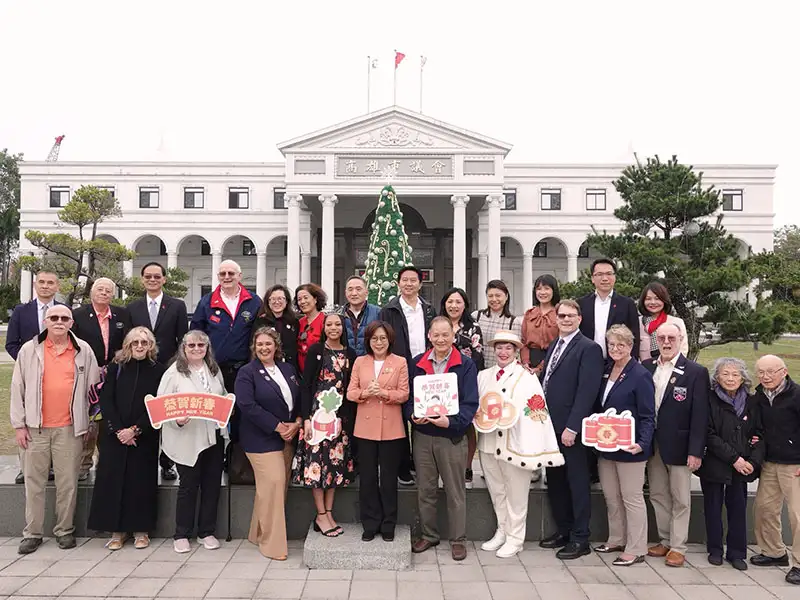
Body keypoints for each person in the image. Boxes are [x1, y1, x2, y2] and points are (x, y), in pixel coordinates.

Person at [10, 305, 100, 555]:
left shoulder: (83, 350)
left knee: (67, 483)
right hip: (35, 429)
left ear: (71, 322)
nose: (59, 321)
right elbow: (17, 389)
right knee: (34, 483)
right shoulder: (30, 350)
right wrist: (19, 425)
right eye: (54, 318)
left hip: (70, 429)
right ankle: (32, 533)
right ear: (46, 321)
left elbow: (94, 392)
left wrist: (91, 422)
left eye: (64, 318)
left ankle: (64, 530)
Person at [477, 330, 563, 559]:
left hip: (515, 445)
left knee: (517, 494)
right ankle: (502, 531)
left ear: (516, 351)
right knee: (497, 492)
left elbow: (536, 412)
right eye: (499, 347)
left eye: (508, 348)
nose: (503, 352)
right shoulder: (483, 376)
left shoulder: (527, 377)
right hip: (488, 442)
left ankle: (516, 538)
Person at [88, 327, 166, 550]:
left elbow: (157, 405)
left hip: (144, 435)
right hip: (115, 435)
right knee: (113, 482)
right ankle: (117, 531)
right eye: (135, 343)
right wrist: (119, 430)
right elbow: (107, 399)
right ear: (128, 346)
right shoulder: (116, 368)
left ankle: (141, 530)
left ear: (151, 346)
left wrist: (135, 430)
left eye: (144, 342)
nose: (140, 346)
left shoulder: (159, 371)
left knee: (141, 483)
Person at [408, 317, 479, 562]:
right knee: (425, 490)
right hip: (424, 437)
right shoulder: (417, 363)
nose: (440, 340)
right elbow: (409, 397)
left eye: (445, 335)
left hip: (451, 436)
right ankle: (429, 534)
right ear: (429, 336)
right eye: (436, 335)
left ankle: (458, 539)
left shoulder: (466, 365)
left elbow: (471, 403)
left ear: (453, 336)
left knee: (455, 491)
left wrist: (451, 422)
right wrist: (412, 415)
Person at [538, 299, 604, 560]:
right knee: (556, 482)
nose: (565, 319)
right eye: (561, 315)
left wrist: (573, 427)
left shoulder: (589, 349)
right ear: (555, 318)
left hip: (570, 429)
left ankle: (580, 537)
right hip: (549, 427)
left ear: (579, 319)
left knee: (577, 483)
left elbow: (587, 392)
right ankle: (563, 530)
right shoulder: (556, 344)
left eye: (570, 316)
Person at [642, 322, 709, 568]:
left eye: (671, 337)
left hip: (681, 446)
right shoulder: (646, 367)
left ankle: (679, 547)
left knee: (680, 497)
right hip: (653, 444)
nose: (667, 342)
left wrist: (696, 450)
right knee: (658, 494)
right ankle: (665, 540)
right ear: (655, 341)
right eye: (661, 338)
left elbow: (700, 415)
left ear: (681, 339)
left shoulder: (695, 372)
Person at [234, 327, 302, 560]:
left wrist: (297, 422)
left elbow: (299, 397)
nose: (264, 348)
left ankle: (257, 532)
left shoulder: (287, 369)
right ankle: (272, 545)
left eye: (268, 344)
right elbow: (247, 405)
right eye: (260, 344)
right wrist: (278, 426)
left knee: (273, 490)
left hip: (288, 436)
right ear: (254, 347)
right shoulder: (247, 372)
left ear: (276, 346)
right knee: (273, 484)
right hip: (260, 438)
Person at [158, 330, 228, 553]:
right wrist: (176, 421)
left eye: (201, 345)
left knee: (211, 485)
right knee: (188, 486)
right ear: (183, 349)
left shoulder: (214, 371)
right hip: (187, 437)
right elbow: (161, 407)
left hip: (213, 435)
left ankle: (206, 531)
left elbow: (223, 396)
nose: (197, 349)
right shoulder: (173, 373)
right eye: (192, 346)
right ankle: (181, 533)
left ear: (207, 348)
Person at [593, 325, 655, 566]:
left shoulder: (640, 375)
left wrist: (642, 443)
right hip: (606, 445)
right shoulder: (607, 370)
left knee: (632, 497)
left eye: (621, 345)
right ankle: (616, 538)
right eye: (611, 345)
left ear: (630, 347)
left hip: (631, 448)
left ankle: (637, 547)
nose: (616, 349)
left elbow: (649, 415)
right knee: (611, 496)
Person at [292, 313, 356, 537]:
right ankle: (320, 515)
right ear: (324, 327)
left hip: (340, 421)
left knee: (334, 467)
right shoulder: (316, 351)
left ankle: (329, 513)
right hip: (317, 419)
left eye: (338, 324)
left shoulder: (351, 354)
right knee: (317, 466)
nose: (333, 328)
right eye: (329, 324)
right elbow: (306, 385)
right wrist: (306, 419)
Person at [698, 357, 763, 571]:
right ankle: (715, 549)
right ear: (716, 377)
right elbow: (708, 433)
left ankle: (737, 553)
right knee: (713, 507)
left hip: (743, 465)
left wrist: (752, 462)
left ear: (743, 377)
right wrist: (734, 459)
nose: (730, 378)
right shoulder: (708, 399)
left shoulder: (752, 401)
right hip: (716, 462)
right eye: (725, 373)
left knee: (738, 508)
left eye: (735, 374)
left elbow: (760, 433)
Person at [347, 321, 410, 541]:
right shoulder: (360, 362)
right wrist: (366, 393)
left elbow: (404, 394)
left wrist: (383, 392)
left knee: (389, 479)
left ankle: (388, 523)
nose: (379, 342)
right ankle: (370, 523)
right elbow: (350, 393)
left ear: (390, 340)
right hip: (365, 428)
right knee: (368, 478)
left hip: (391, 428)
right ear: (368, 341)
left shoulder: (400, 362)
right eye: (375, 338)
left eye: (383, 338)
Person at [127, 261, 188, 481]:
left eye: (156, 276)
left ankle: (167, 461)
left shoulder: (177, 306)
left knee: (168, 414)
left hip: (169, 368)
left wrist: (176, 364)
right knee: (144, 413)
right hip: (141, 369)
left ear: (164, 279)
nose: (152, 280)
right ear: (142, 279)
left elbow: (182, 339)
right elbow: (129, 340)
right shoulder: (132, 307)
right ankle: (144, 459)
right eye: (148, 276)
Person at [379, 266, 436, 486]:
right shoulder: (389, 310)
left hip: (424, 367)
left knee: (424, 411)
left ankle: (420, 462)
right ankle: (402, 465)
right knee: (400, 417)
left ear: (420, 284)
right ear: (398, 284)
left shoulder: (428, 309)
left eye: (413, 280)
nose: (409, 284)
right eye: (405, 280)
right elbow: (384, 339)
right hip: (399, 367)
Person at [5, 270, 62, 485]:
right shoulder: (22, 311)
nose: (45, 286)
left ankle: (52, 466)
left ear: (57, 286)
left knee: (55, 421)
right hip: (28, 375)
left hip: (58, 375)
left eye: (50, 283)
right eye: (41, 282)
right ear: (35, 285)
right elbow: (11, 344)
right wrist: (28, 362)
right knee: (28, 421)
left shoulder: (63, 311)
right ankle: (25, 466)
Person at [72, 277, 132, 480]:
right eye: (100, 289)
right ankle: (85, 461)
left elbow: (128, 341)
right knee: (90, 417)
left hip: (114, 373)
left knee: (111, 415)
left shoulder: (122, 314)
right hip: (87, 373)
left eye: (108, 290)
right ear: (92, 292)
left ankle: (107, 460)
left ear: (113, 294)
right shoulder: (78, 315)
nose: (104, 293)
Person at [749, 355, 800, 585]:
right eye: (761, 372)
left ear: (784, 371)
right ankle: (774, 552)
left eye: (771, 371)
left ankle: (799, 564)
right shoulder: (759, 396)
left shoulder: (797, 395)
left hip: (795, 465)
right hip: (769, 463)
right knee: (764, 509)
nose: (765, 377)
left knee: (798, 516)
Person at [191, 260, 261, 393]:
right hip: (213, 369)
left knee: (241, 407)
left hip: (244, 369)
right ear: (218, 277)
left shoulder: (254, 301)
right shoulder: (206, 302)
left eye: (231, 273)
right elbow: (195, 333)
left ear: (239, 276)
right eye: (223, 274)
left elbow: (259, 332)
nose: (227, 277)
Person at [441, 287, 484, 489]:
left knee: (467, 425)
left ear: (465, 304)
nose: (454, 305)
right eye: (450, 301)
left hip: (465, 381)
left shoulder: (473, 327)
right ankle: (447, 468)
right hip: (441, 384)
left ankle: (467, 467)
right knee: (444, 424)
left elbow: (478, 356)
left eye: (458, 302)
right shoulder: (437, 324)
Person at [577, 258, 640, 360]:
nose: (605, 278)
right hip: (587, 361)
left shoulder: (627, 304)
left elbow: (634, 337)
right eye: (600, 274)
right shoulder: (582, 304)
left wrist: (631, 363)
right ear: (592, 278)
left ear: (615, 277)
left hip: (617, 361)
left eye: (609, 274)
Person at [472, 280, 521, 369]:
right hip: (477, 370)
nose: (494, 299)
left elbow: (516, 352)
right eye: (490, 296)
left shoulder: (513, 322)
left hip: (501, 371)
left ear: (506, 297)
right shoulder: (476, 316)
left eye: (498, 296)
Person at [520, 274, 560, 376]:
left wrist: (541, 367)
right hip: (530, 361)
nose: (542, 292)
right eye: (539, 289)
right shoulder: (529, 314)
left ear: (553, 291)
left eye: (546, 289)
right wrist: (525, 362)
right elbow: (523, 342)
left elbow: (560, 342)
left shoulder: (560, 313)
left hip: (554, 359)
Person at [637, 282, 688, 361]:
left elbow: (683, 350)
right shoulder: (638, 322)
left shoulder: (677, 322)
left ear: (664, 300)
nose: (653, 302)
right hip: (645, 369)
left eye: (657, 298)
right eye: (648, 299)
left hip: (671, 368)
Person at [254, 284, 299, 368]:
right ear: (268, 302)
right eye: (273, 299)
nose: (277, 302)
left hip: (290, 368)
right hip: (266, 367)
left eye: (280, 298)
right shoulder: (260, 322)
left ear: (286, 301)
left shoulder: (294, 322)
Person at [340, 275, 381, 357]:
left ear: (366, 292)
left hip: (371, 363)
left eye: (358, 289)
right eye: (350, 289)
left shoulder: (378, 313)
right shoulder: (339, 315)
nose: (354, 293)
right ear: (345, 293)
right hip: (345, 363)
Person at [295, 283, 327, 373]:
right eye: (299, 299)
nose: (302, 302)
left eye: (306, 298)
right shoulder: (299, 322)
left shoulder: (325, 321)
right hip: (301, 374)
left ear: (315, 299)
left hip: (320, 372)